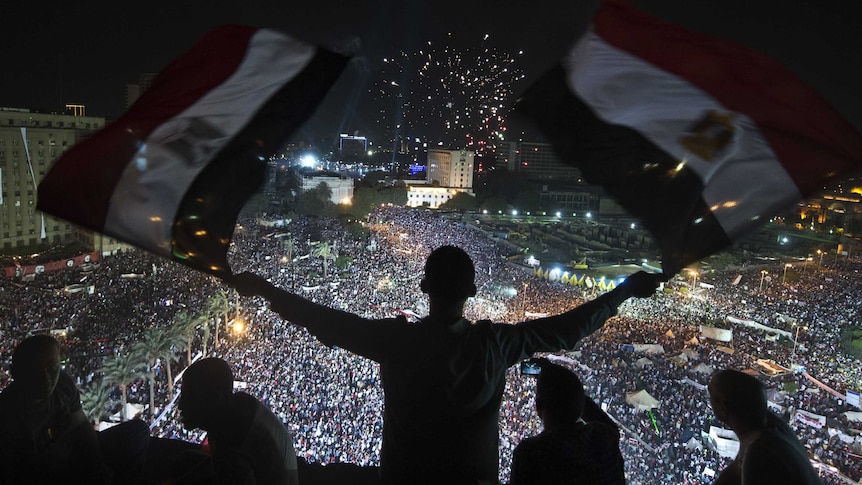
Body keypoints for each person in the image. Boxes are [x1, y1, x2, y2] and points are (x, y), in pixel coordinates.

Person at [229, 245, 662, 484]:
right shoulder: (496, 345)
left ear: (424, 287)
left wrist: (267, 289)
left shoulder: (395, 341)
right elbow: (567, 328)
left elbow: (328, 322)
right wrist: (623, 291)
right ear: (472, 291)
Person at [0, 334, 110, 484]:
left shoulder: (62, 383)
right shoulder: (6, 416)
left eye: (52, 368)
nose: (46, 378)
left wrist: (97, 466)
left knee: (138, 431)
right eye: (34, 370)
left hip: (75, 458)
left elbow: (82, 427)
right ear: (15, 372)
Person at [174, 357, 299, 485]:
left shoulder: (235, 437)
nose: (181, 405)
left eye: (191, 397)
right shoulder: (236, 407)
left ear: (217, 397)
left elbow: (230, 470)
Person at [510, 358, 625, 484]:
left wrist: (550, 378)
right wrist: (557, 380)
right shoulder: (604, 438)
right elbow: (604, 421)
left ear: (538, 405)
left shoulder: (531, 454)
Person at [708, 369, 822, 485]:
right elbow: (733, 473)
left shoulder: (759, 454)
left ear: (723, 407)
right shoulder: (768, 425)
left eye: (711, 395)